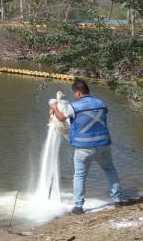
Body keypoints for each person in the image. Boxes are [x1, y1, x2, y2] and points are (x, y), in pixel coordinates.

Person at [49, 79, 126, 214]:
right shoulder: (102, 103)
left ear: (78, 93)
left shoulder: (74, 106)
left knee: (79, 176)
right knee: (110, 170)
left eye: (74, 93)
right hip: (103, 145)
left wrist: (55, 106)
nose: (74, 96)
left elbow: (61, 118)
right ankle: (118, 200)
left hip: (84, 147)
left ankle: (78, 206)